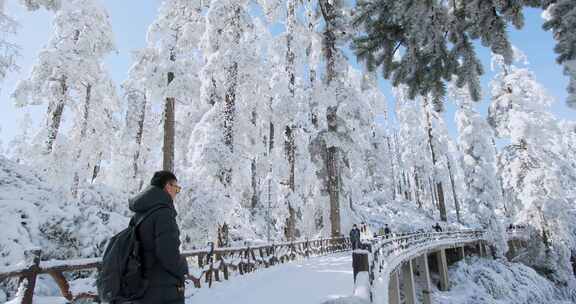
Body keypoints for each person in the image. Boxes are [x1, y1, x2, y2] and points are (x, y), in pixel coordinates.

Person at [130, 171, 188, 304]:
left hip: (142, 286)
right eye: (177, 188)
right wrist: (183, 267)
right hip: (163, 290)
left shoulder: (140, 213)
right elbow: (168, 255)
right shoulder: (164, 213)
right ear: (168, 186)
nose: (177, 193)